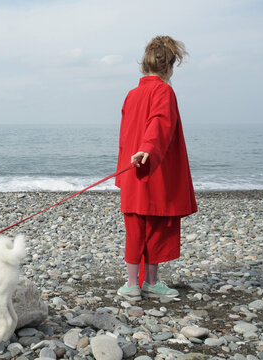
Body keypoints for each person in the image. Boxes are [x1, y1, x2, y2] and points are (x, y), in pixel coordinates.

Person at [115, 35, 198, 300]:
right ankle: (149, 282)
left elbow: (125, 137)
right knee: (155, 227)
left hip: (132, 171)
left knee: (136, 228)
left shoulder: (132, 94)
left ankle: (132, 285)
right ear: (168, 67)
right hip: (152, 171)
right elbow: (159, 122)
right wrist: (148, 149)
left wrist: (124, 170)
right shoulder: (163, 90)